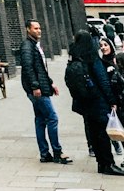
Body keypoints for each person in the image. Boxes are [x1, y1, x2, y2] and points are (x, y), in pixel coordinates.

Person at [65, 29, 123, 176]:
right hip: (98, 101)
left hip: (86, 103)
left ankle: (101, 164)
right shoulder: (92, 57)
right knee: (103, 135)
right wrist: (112, 100)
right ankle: (108, 164)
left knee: (94, 134)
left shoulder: (75, 57)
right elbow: (103, 81)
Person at [20, 19, 72, 164]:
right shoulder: (27, 47)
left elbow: (41, 69)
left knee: (40, 120)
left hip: (41, 87)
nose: (39, 30)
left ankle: (44, 153)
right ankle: (57, 152)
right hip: (37, 90)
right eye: (35, 28)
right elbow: (28, 67)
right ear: (28, 30)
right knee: (52, 118)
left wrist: (50, 83)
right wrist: (35, 86)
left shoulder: (34, 45)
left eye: (39, 28)